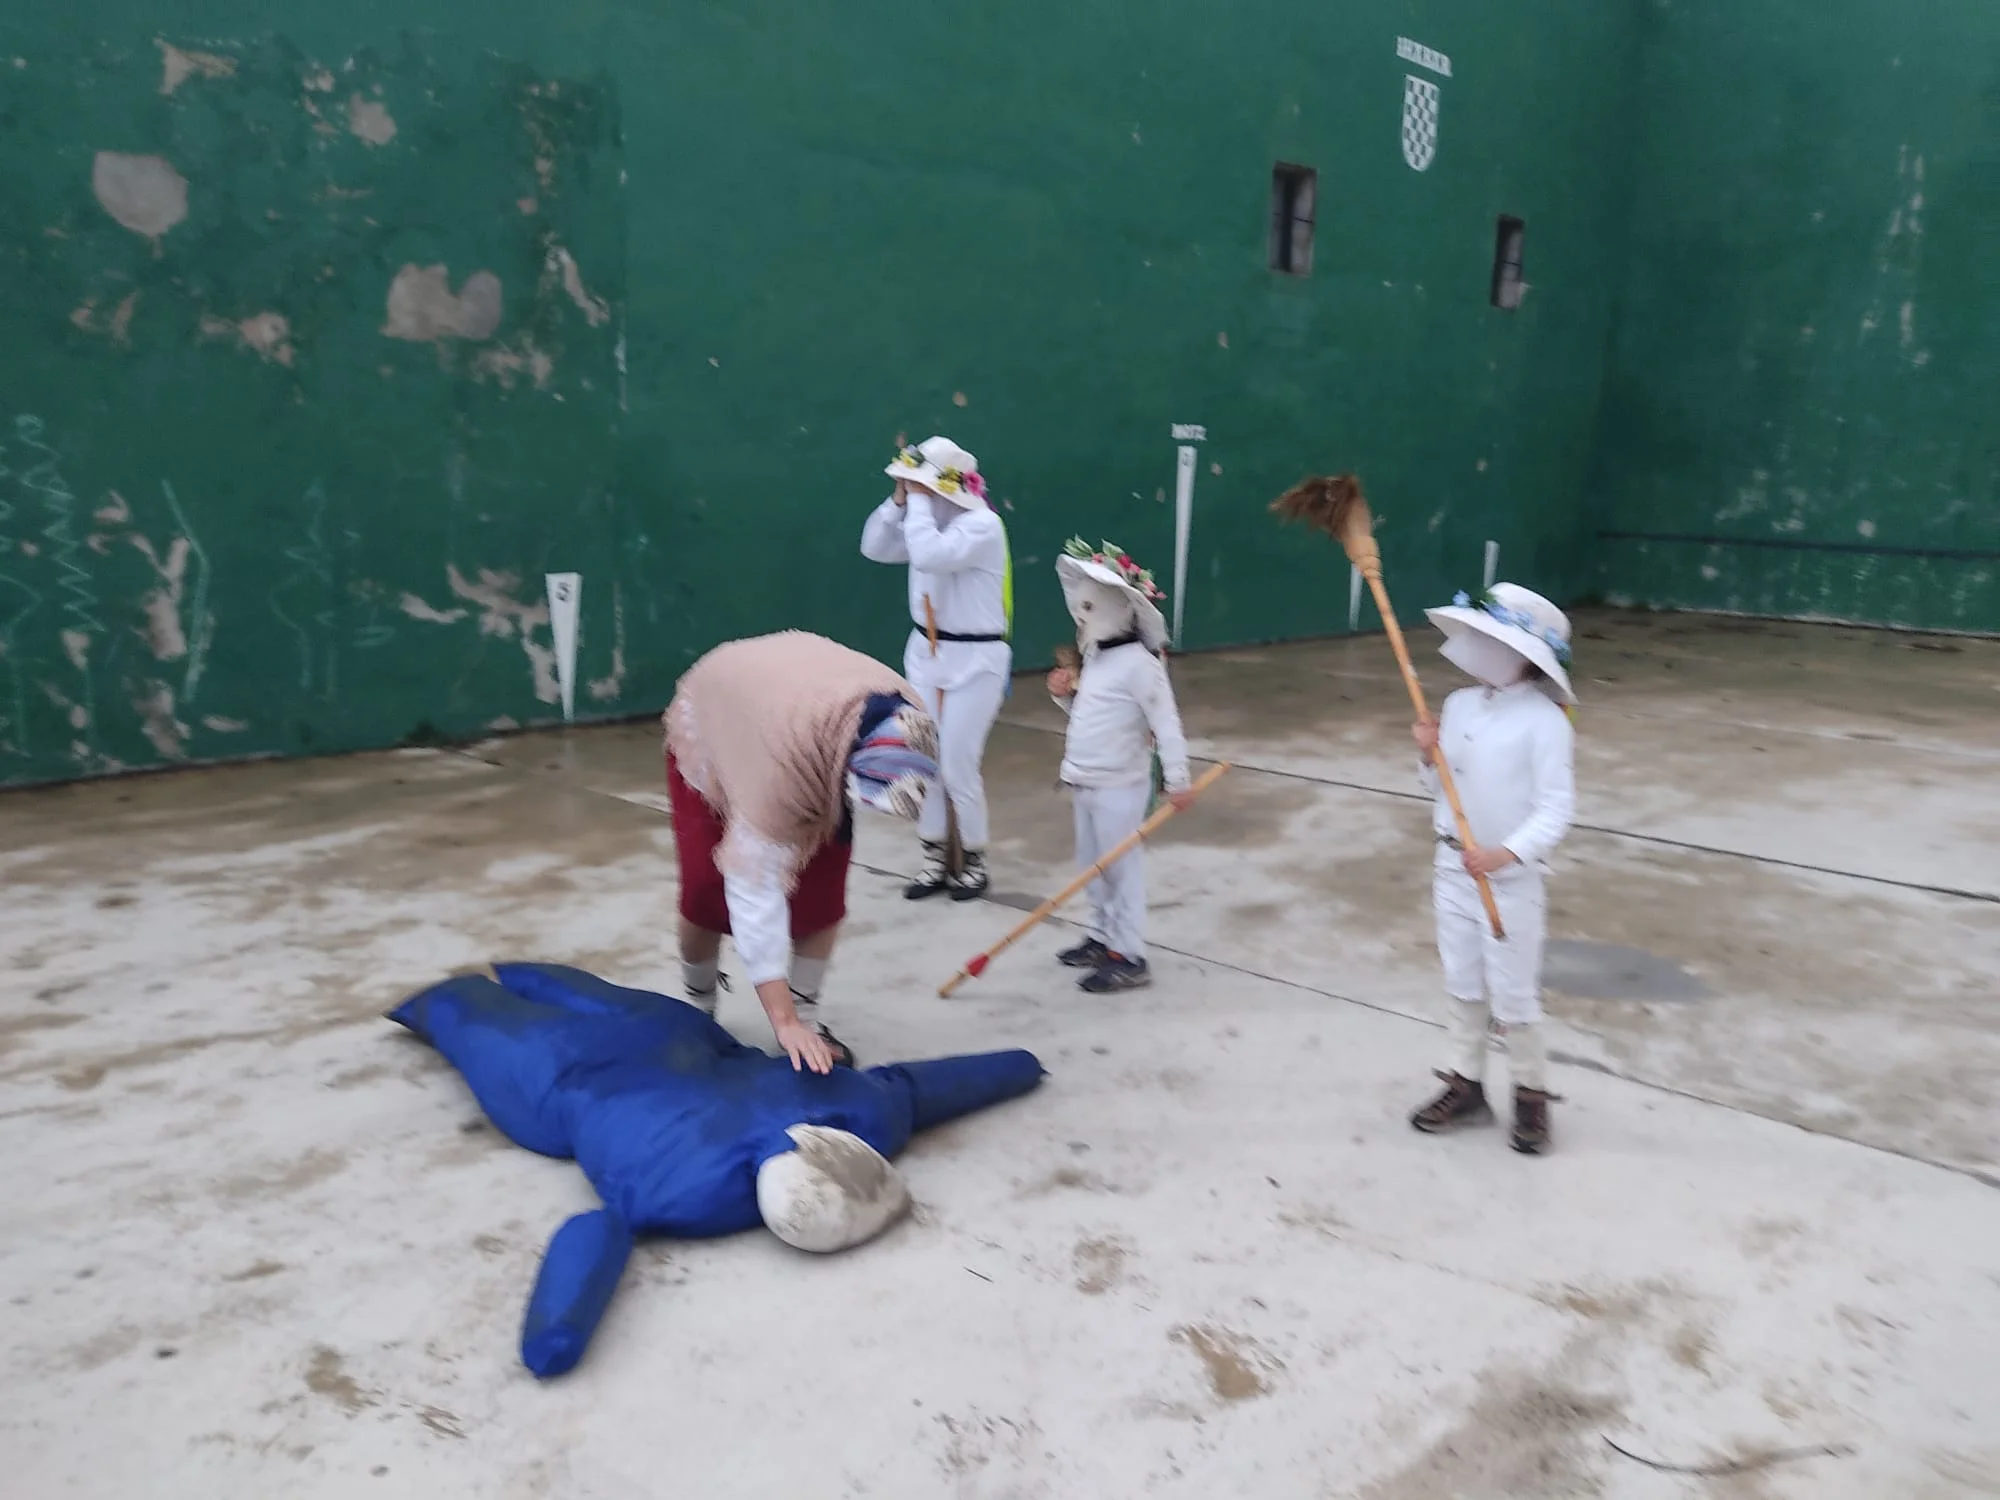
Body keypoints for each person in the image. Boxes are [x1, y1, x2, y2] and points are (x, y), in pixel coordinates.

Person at [390, 962, 1045, 1377]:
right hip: (574, 1068)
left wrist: (1018, 1064)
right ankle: (488, 983)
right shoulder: (677, 1188)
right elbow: (599, 1232)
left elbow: (916, 1087)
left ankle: (505, 976)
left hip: (643, 1042)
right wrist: (554, 1333)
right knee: (486, 1025)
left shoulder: (859, 1111)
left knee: (527, 1005)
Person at [662, 630, 939, 1073]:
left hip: (800, 715)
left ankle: (809, 1017)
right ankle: (698, 1010)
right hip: (718, 715)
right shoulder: (779, 777)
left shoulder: (911, 718)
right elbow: (753, 893)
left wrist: (800, 1020)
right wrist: (783, 1022)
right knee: (706, 890)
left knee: (822, 890)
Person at [1407, 584, 1577, 1154]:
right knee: (1461, 978)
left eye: (1489, 639)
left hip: (1507, 878)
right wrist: (1427, 753)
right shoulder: (1459, 704)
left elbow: (1556, 808)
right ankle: (1466, 1083)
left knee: (1513, 989)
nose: (1474, 647)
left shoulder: (1545, 722)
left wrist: (1507, 853)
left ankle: (1531, 1095)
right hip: (1451, 864)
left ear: (1521, 655)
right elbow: (1438, 787)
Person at [860, 436, 1013, 901]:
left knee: (959, 763)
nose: (915, 492)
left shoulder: (983, 525)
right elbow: (873, 547)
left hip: (977, 659)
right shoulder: (924, 524)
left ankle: (974, 858)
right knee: (923, 757)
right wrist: (898, 502)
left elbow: (930, 555)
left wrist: (920, 498)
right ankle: (933, 856)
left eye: (921, 483)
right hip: (926, 653)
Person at [1044, 538, 1194, 993]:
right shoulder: (1097, 658)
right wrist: (1064, 697)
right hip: (1083, 779)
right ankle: (1101, 935)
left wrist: (1177, 777)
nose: (1082, 616)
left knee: (1120, 870)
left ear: (1123, 607)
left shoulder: (1140, 664)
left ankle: (1129, 954)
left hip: (1119, 785)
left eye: (1091, 607)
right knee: (1092, 866)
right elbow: (1092, 717)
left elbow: (1165, 721)